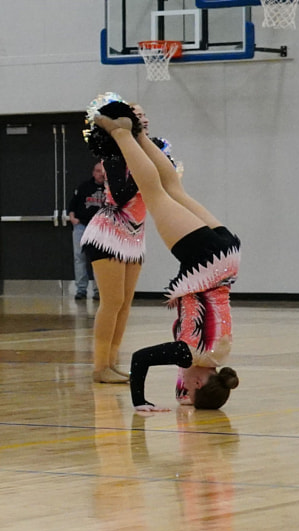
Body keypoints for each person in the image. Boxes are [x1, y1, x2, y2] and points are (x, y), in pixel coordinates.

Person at [93, 99, 243, 413]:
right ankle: (122, 133)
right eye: (188, 389)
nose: (182, 387)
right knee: (156, 192)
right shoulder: (188, 354)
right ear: (199, 384)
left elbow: (190, 373)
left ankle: (140, 136)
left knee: (175, 189)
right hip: (205, 264)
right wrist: (140, 402)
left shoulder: (219, 356)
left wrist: (187, 395)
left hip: (228, 259)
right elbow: (141, 360)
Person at [80, 98, 149, 384]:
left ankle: (112, 361)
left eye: (144, 116)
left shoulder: (145, 153)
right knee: (112, 301)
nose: (143, 119)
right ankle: (100, 366)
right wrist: (146, 173)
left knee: (125, 303)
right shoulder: (115, 157)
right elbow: (120, 196)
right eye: (137, 116)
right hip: (109, 232)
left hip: (135, 234)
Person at [69, 162, 105, 300]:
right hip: (82, 226)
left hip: (100, 228)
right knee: (80, 257)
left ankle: (98, 290)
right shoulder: (84, 187)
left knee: (98, 260)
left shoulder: (110, 189)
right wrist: (72, 218)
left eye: (102, 171)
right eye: (97, 171)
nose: (100, 174)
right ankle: (81, 290)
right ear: (93, 172)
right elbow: (73, 204)